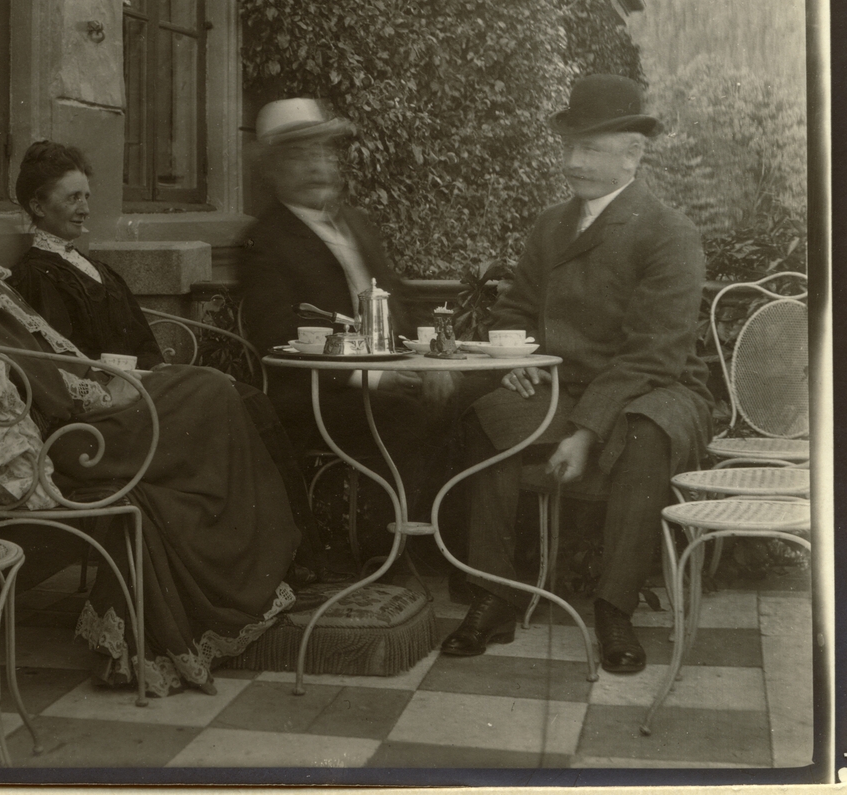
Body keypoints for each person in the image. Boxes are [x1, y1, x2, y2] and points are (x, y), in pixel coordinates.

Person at [0, 105, 301, 698]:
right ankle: (245, 581)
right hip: (73, 438)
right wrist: (102, 390)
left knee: (213, 395)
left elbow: (31, 354)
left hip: (78, 414)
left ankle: (248, 572)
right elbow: (22, 370)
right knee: (215, 395)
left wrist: (105, 381)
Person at [440, 75, 714, 675]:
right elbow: (515, 312)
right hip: (564, 386)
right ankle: (496, 593)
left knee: (646, 431)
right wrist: (517, 362)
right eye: (568, 146)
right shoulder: (551, 225)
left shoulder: (669, 232)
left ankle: (614, 607)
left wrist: (586, 431)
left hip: (658, 387)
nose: (571, 162)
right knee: (492, 419)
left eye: (589, 148)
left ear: (632, 154)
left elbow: (653, 354)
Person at [7, 139, 328, 578]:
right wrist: (150, 379)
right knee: (233, 402)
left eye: (86, 196)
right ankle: (277, 558)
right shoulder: (37, 274)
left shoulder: (89, 265)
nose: (84, 207)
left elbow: (141, 339)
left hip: (140, 387)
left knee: (247, 400)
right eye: (71, 198)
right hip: (102, 416)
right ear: (38, 207)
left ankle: (288, 550)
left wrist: (161, 372)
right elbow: (65, 362)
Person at [240, 98, 460, 558]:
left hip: (388, 375)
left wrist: (437, 358)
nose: (318, 166)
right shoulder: (266, 241)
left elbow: (401, 301)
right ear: (274, 169)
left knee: (469, 404)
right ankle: (386, 550)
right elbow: (280, 336)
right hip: (319, 393)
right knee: (411, 416)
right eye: (301, 156)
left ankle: (443, 549)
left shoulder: (355, 224)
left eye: (324, 153)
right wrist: (374, 377)